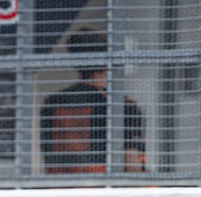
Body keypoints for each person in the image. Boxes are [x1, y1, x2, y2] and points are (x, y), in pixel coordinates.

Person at [40, 29, 146, 174]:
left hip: (61, 188)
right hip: (105, 190)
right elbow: (133, 165)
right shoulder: (122, 106)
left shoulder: (53, 103)